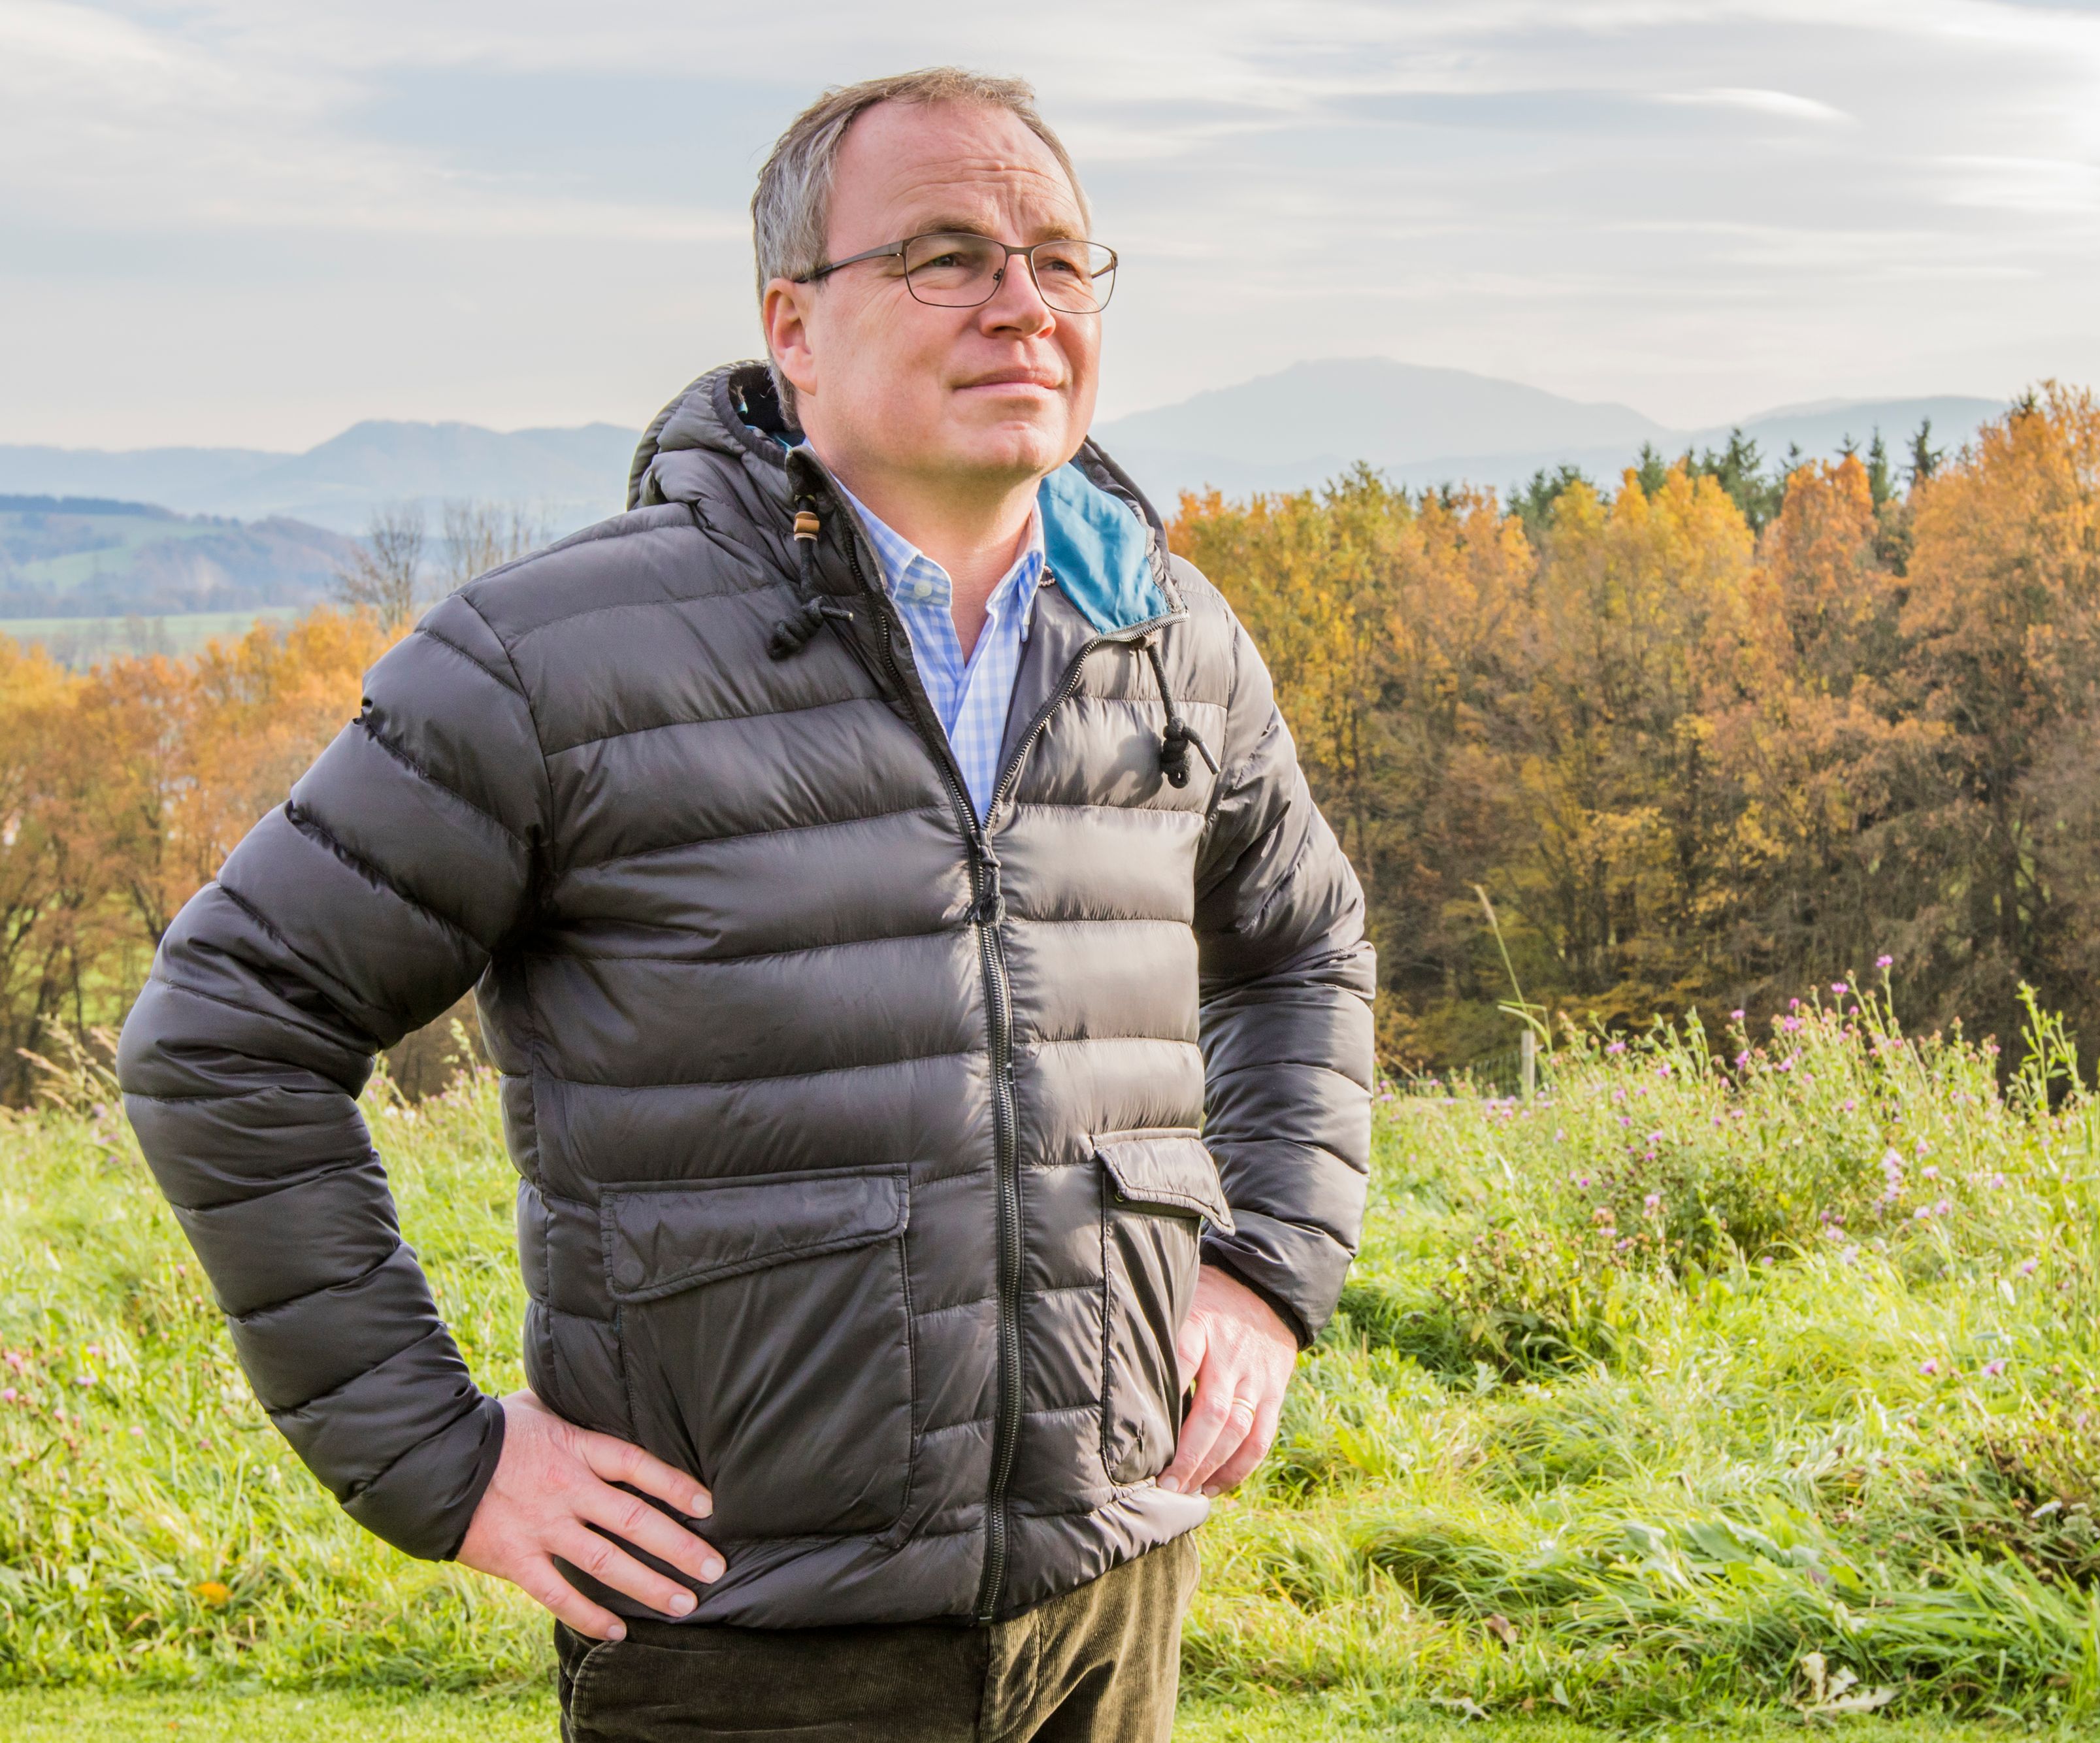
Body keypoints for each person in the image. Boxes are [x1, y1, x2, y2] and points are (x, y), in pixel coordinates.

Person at [116, 66, 1373, 1742]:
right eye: (943, 256)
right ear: (792, 323)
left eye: (1061, 260)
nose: (1021, 302)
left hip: (1105, 1596)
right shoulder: (551, 658)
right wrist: (442, 1457)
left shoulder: (1168, 636)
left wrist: (1267, 1270)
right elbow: (223, 1034)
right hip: (741, 1628)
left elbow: (1302, 946)